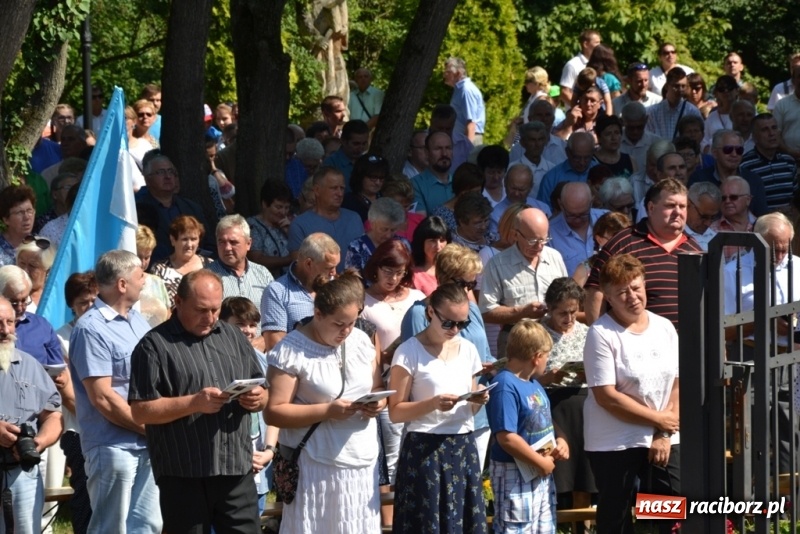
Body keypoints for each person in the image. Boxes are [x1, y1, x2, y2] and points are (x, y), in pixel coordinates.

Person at [129, 270, 268, 533]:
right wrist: (194, 403)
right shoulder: (154, 345)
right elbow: (140, 411)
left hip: (235, 467)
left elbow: (262, 388)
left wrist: (258, 398)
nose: (210, 318)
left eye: (215, 309)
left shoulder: (233, 336)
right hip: (184, 471)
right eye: (201, 310)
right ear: (178, 302)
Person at [266, 272, 384, 532]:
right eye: (339, 323)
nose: (346, 331)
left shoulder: (362, 341)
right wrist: (327, 410)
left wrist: (377, 404)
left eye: (352, 322)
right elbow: (273, 413)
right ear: (318, 314)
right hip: (317, 465)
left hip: (361, 462)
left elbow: (376, 386)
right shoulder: (291, 351)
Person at [68, 250, 161, 534]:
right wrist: (148, 426)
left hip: (146, 444)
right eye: (139, 276)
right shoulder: (90, 329)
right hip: (112, 447)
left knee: (148, 525)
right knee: (111, 528)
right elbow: (103, 398)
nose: (144, 281)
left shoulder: (138, 321)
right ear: (122, 284)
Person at [587, 255, 682, 534]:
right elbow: (607, 396)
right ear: (608, 297)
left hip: (662, 437)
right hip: (615, 442)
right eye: (622, 292)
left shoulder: (664, 326)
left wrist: (663, 432)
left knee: (665, 507)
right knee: (616, 516)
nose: (632, 297)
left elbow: (677, 382)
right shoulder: (601, 333)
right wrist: (658, 420)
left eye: (636, 287)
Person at [389, 282, 490, 533]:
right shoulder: (408, 351)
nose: (455, 329)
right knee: (427, 523)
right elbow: (395, 411)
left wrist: (477, 400)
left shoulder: (468, 349)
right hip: (426, 448)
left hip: (463, 445)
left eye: (462, 324)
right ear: (431, 312)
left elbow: (470, 408)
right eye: (449, 323)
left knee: (464, 522)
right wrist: (432, 404)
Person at [723, 213, 800, 474]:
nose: (780, 254)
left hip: (792, 360)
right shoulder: (733, 271)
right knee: (755, 431)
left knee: (791, 432)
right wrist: (765, 321)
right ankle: (756, 503)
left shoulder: (798, 268)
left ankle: (790, 503)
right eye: (774, 248)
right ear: (756, 240)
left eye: (785, 247)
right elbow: (725, 330)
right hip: (751, 359)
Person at [584, 179, 703, 328]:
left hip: (686, 346)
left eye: (683, 206)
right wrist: (601, 338)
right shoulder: (622, 244)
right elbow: (596, 292)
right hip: (633, 344)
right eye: (670, 205)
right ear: (651, 208)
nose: (678, 212)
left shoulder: (695, 250)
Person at [486, 319, 568, 534]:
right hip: (514, 472)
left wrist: (561, 439)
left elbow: (544, 417)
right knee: (516, 528)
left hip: (540, 469)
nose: (547, 362)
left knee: (543, 527)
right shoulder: (505, 386)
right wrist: (540, 462)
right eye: (547, 356)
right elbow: (506, 437)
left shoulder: (533, 383)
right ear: (536, 357)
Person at [0, 297, 63, 534]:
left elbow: (53, 416)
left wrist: (39, 442)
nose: (5, 330)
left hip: (23, 474)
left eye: (10, 322)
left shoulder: (31, 365)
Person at [480, 208, 568, 356]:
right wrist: (521, 312)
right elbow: (486, 312)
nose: (539, 246)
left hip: (553, 340)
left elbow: (567, 297)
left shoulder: (555, 257)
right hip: (517, 342)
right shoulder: (497, 264)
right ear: (515, 234)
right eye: (532, 241)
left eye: (544, 240)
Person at [218, 297, 276, 517]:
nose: (248, 331)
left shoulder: (263, 361)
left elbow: (273, 411)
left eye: (252, 325)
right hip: (228, 461)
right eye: (239, 324)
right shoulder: (214, 360)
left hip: (259, 458)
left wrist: (269, 451)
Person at [260, 233, 340, 351]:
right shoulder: (277, 292)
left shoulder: (336, 286)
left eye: (336, 266)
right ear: (308, 264)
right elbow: (276, 346)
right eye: (328, 268)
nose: (334, 272)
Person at [135, 153, 213, 262]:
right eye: (161, 172)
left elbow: (208, 243)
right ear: (148, 178)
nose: (167, 176)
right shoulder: (136, 210)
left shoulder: (192, 208)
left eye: (171, 171)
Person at [288, 166, 364, 272]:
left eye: (342, 188)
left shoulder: (354, 219)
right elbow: (301, 268)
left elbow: (363, 259)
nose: (340, 193)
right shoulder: (300, 224)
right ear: (317, 190)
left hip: (353, 285)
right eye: (334, 188)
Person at [688, 129, 769, 216]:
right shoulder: (699, 179)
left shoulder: (754, 180)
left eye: (739, 150)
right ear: (714, 153)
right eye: (728, 149)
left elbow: (762, 217)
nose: (734, 154)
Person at [0, 265, 63, 365]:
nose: (20, 308)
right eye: (14, 302)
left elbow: (58, 368)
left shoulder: (42, 326)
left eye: (24, 300)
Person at [208, 215, 274, 306]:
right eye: (221, 242)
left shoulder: (262, 273)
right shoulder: (207, 276)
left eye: (233, 242)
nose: (227, 248)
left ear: (248, 244)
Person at [149, 215, 213, 307]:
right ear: (173, 240)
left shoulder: (210, 265)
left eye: (194, 239)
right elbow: (156, 305)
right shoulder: (159, 269)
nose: (189, 244)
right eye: (184, 239)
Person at [549, 182, 609, 276]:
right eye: (571, 215)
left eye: (583, 214)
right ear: (561, 205)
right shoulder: (550, 233)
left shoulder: (607, 220)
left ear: (591, 202)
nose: (577, 220)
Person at [740, 113, 797, 210]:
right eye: (764, 130)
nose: (771, 133)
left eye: (774, 128)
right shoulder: (745, 165)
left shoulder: (789, 162)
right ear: (755, 137)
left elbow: (795, 198)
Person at [345, 197, 406, 274]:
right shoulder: (356, 247)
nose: (388, 235)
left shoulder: (403, 244)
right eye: (384, 229)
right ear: (372, 224)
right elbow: (351, 281)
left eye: (393, 230)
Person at [246, 181, 293, 279]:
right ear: (265, 204)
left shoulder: (288, 224)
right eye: (278, 207)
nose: (283, 212)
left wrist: (291, 233)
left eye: (286, 208)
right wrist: (289, 260)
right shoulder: (253, 226)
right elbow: (256, 259)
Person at [536, 132, 596, 207]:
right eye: (577, 157)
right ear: (567, 152)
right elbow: (543, 210)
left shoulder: (601, 172)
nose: (582, 162)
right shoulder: (551, 178)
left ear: (593, 152)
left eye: (587, 158)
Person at [646, 67, 702, 140]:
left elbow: (699, 138)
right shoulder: (652, 113)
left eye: (683, 86)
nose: (680, 90)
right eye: (676, 86)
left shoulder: (692, 111)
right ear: (667, 86)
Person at [710, 176, 757, 262]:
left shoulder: (762, 226)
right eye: (723, 198)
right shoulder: (711, 231)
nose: (727, 201)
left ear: (748, 200)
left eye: (733, 197)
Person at [432, 162, 486, 232]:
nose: (477, 196)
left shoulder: (482, 210)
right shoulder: (440, 214)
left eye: (479, 192)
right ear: (462, 190)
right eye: (474, 192)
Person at [134, 225, 170, 328]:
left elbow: (168, 314)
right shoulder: (123, 284)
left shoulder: (157, 282)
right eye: (139, 256)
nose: (142, 262)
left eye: (147, 257)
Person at [443, 57, 486, 144]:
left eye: (448, 72)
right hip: (462, 139)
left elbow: (471, 124)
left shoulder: (466, 90)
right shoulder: (459, 89)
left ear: (458, 73)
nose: (444, 75)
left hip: (469, 139)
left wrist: (467, 148)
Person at [510, 122, 556, 199]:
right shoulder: (511, 169)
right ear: (523, 143)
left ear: (545, 141)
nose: (537, 144)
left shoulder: (553, 170)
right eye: (532, 140)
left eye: (540, 139)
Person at [411, 131, 454, 215]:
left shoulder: (460, 181)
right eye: (438, 149)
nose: (444, 153)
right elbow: (420, 224)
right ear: (427, 153)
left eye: (448, 148)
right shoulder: (415, 185)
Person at [410, 216, 451, 296]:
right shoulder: (412, 275)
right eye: (432, 241)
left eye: (442, 240)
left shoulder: (454, 269)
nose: (438, 246)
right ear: (421, 243)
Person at [560, 30, 602, 107]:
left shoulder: (599, 64)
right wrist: (582, 108)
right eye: (596, 43)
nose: (600, 46)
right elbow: (564, 92)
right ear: (585, 44)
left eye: (600, 42)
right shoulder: (573, 65)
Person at [343, 153, 390, 222]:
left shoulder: (386, 200)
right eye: (373, 177)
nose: (378, 182)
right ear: (360, 177)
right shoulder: (348, 201)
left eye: (381, 178)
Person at [323, 120, 370, 185]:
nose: (361, 148)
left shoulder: (367, 162)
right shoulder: (331, 163)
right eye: (356, 144)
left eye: (364, 143)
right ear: (343, 141)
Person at [15, 235, 57, 309]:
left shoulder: (54, 300)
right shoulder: (6, 295)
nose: (25, 270)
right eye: (22, 263)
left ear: (47, 270)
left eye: (32, 265)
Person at [0, 185, 37, 266]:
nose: (27, 217)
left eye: (29, 211)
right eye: (19, 212)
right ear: (6, 219)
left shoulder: (40, 246)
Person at [380, 175, 424, 241]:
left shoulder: (420, 221)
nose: (401, 210)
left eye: (406, 206)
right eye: (397, 206)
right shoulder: (374, 225)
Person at [702, 75, 739, 152]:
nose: (726, 91)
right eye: (721, 89)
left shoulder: (746, 113)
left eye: (730, 88)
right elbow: (703, 142)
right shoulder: (712, 117)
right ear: (717, 93)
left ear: (736, 90)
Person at [684, 182, 721, 252]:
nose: (708, 223)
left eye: (713, 217)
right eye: (703, 216)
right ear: (688, 204)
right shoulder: (674, 236)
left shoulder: (715, 239)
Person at [774, 65, 800, 160]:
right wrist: (789, 151)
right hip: (788, 161)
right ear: (793, 81)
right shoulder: (782, 105)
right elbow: (775, 134)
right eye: (799, 76)